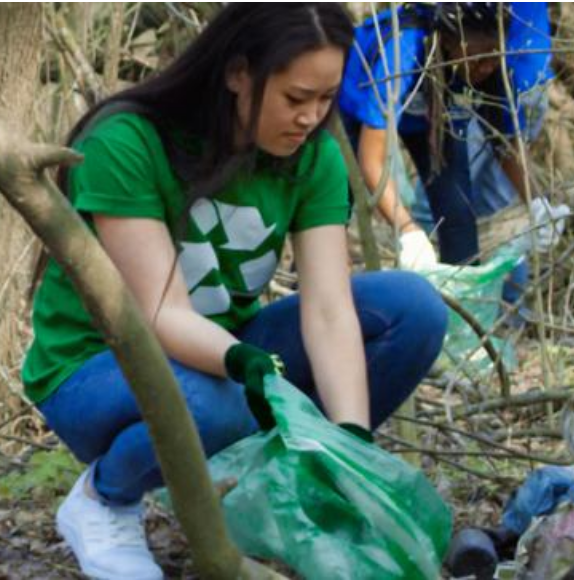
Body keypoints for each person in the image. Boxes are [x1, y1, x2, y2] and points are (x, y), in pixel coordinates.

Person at [22, 4, 447, 578]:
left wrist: (350, 441)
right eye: (296, 98)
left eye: (326, 99)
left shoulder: (313, 155)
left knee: (412, 310)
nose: (310, 118)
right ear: (237, 73)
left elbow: (330, 310)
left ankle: (299, 490)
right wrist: (244, 362)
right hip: (97, 367)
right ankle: (104, 499)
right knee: (218, 401)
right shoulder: (128, 142)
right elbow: (160, 313)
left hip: (217, 352)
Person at [339, 2, 568, 312]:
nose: (486, 67)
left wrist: (538, 203)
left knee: (457, 212)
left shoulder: (491, 64)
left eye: (494, 57)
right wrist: (408, 231)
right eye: (479, 59)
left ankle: (462, 319)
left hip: (432, 116)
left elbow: (507, 144)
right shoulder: (404, 51)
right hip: (355, 104)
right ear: (447, 41)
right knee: (336, 204)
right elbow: (371, 160)